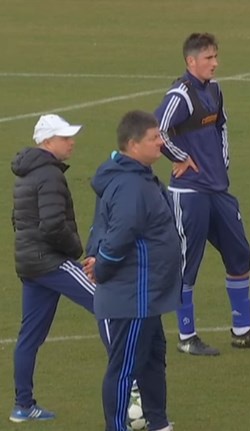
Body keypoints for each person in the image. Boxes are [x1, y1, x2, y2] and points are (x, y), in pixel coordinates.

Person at [154, 32, 250, 356]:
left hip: (218, 190)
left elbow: (221, 126)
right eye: (208, 58)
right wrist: (180, 157)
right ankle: (187, 337)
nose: (215, 63)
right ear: (191, 61)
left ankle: (242, 331)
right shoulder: (180, 95)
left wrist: (222, 164)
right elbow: (157, 130)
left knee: (240, 255)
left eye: (215, 56)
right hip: (189, 193)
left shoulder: (215, 90)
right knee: (187, 263)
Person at [9, 114, 110, 423]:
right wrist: (75, 250)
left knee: (29, 336)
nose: (72, 142)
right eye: (65, 137)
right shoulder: (49, 174)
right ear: (48, 141)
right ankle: (131, 384)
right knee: (109, 302)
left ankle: (22, 406)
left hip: (30, 264)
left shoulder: (26, 172)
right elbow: (53, 224)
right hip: (51, 261)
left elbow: (18, 219)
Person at [85, 111, 180, 431]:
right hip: (132, 296)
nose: (161, 142)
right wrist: (102, 266)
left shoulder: (139, 177)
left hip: (147, 294)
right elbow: (119, 235)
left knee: (152, 360)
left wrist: (96, 256)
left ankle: (158, 422)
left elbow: (100, 227)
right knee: (125, 369)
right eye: (154, 138)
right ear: (133, 144)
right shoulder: (130, 185)